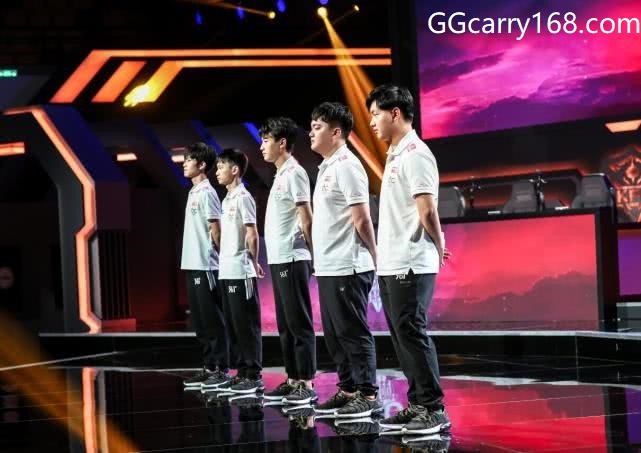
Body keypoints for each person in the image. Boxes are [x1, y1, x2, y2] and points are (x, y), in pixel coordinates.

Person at [366, 84, 451, 434]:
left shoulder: (416, 154)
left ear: (395, 113)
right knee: (402, 337)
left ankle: (433, 409)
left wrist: (439, 243)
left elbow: (427, 209)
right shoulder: (396, 154)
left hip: (411, 262)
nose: (372, 122)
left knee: (412, 333)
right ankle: (418, 403)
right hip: (393, 261)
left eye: (376, 114)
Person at [309, 102, 381, 418]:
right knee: (335, 336)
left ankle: (368, 395)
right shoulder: (327, 166)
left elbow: (362, 218)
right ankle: (348, 389)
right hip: (328, 266)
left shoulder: (348, 165)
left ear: (336, 132)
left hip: (349, 265)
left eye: (318, 127)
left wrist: (376, 255)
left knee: (352, 333)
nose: (311, 133)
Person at [259, 117, 318, 405]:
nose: (261, 146)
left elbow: (306, 217)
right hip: (280, 258)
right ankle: (293, 378)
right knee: (285, 324)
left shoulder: (295, 172)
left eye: (265, 140)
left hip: (294, 257)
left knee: (298, 322)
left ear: (282, 143)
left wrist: (315, 254)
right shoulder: (280, 174)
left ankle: (306, 382)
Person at [180, 142, 231, 389]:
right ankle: (209, 366)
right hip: (192, 264)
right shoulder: (193, 192)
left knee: (212, 320)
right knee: (200, 322)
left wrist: (223, 260)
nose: (184, 163)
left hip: (206, 265)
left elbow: (216, 230)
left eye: (189, 159)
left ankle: (220, 369)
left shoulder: (207, 193)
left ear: (201, 165)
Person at [215, 148, 265, 394]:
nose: (217, 172)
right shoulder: (226, 199)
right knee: (234, 325)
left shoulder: (244, 197)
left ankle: (253, 375)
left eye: (221, 167)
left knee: (246, 326)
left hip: (241, 270)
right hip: (226, 270)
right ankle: (242, 373)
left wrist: (253, 262)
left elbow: (252, 233)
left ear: (234, 169)